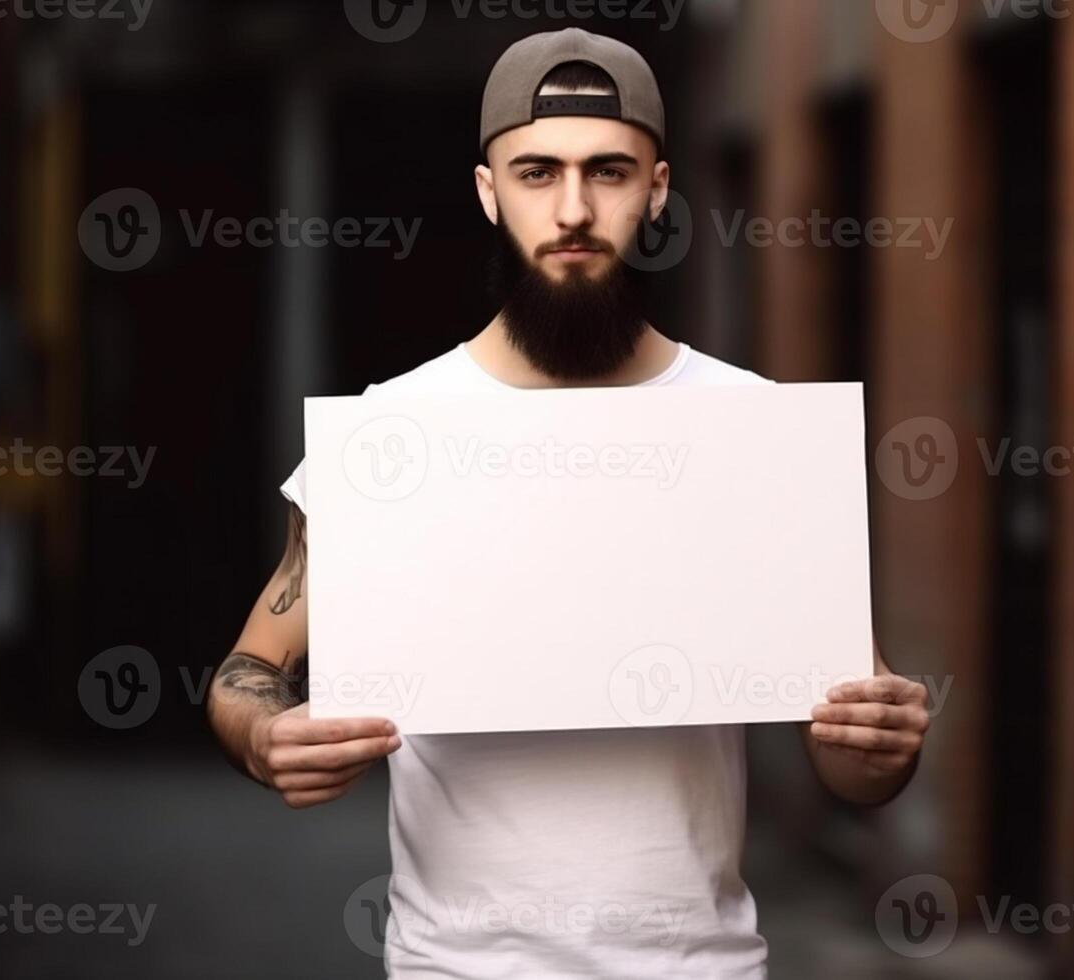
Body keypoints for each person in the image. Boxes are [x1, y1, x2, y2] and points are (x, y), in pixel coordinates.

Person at [206, 28, 930, 979]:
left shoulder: (749, 431)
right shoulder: (396, 434)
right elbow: (250, 668)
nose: (576, 209)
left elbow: (850, 757)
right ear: (488, 191)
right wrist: (268, 735)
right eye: (538, 172)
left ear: (659, 189)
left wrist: (880, 748)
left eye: (610, 172)